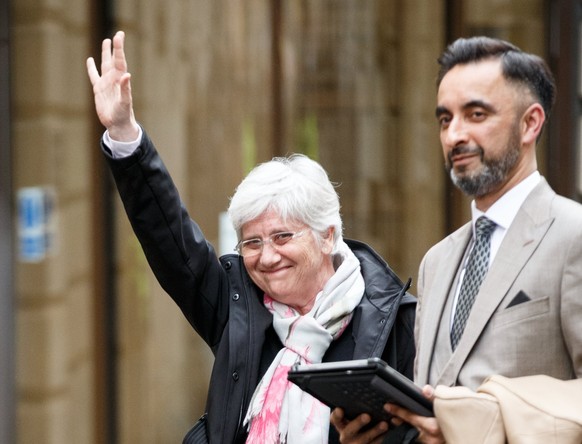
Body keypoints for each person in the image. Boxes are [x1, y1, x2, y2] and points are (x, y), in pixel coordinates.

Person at [86, 31, 417, 444]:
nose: (266, 256)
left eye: (282, 237)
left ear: (327, 235)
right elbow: (170, 239)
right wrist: (124, 134)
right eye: (252, 242)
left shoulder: (394, 322)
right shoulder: (237, 304)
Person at [331, 36, 582, 443]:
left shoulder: (574, 235)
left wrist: (483, 422)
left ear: (530, 123)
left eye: (476, 114)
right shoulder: (437, 261)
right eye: (445, 119)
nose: (454, 136)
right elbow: (434, 408)